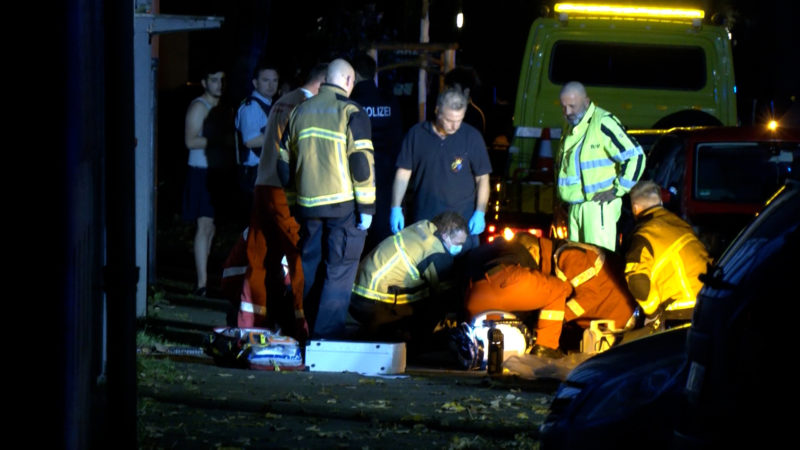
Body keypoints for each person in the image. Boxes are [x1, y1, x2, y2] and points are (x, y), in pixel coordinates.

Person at [279, 58, 376, 339]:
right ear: (348, 81)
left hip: (308, 207)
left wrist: (294, 201)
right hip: (343, 206)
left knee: (310, 266)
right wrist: (366, 206)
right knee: (340, 269)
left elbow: (283, 165)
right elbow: (360, 164)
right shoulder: (351, 111)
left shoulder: (300, 111)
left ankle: (302, 328)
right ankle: (327, 338)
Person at [237, 63, 328, 339]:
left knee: (260, 256)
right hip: (282, 190)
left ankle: (251, 322)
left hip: (262, 185)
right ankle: (299, 325)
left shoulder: (282, 102)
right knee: (298, 255)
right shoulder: (305, 106)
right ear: (322, 84)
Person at [464, 233, 637, 357]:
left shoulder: (567, 256)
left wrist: (561, 317)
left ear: (533, 248)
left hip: (618, 313)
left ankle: (545, 349)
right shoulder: (558, 257)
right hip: (610, 313)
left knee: (556, 292)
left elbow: (589, 296)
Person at [391, 88, 491, 251]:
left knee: (464, 273)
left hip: (462, 225)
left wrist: (480, 212)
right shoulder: (416, 135)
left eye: (459, 119)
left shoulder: (471, 137)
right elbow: (403, 174)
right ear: (437, 111)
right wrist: (395, 208)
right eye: (449, 120)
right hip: (425, 224)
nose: (454, 125)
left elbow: (483, 178)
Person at [350, 211, 468, 342]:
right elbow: (444, 292)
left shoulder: (423, 227)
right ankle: (417, 343)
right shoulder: (436, 251)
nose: (460, 248)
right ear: (445, 235)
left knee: (423, 287)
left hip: (356, 290)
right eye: (458, 243)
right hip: (372, 302)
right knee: (437, 301)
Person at [556, 81, 646, 252]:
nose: (567, 112)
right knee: (577, 265)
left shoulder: (603, 123)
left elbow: (636, 156)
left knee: (598, 267)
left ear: (586, 102)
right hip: (576, 208)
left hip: (598, 209)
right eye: (564, 106)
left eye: (572, 106)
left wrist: (617, 190)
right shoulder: (572, 127)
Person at [624, 180, 711, 329]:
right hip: (707, 301)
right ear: (660, 203)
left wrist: (652, 313)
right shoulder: (679, 223)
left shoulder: (644, 235)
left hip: (680, 311)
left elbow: (636, 278)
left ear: (635, 208)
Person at [350, 52, 405, 254]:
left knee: (358, 236)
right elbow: (398, 139)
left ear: (354, 74)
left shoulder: (351, 102)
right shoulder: (390, 101)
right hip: (387, 175)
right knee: (382, 238)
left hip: (358, 176)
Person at [183, 66, 225, 296]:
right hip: (200, 170)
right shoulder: (199, 106)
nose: (219, 84)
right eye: (214, 79)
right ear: (204, 82)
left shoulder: (221, 107)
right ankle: (201, 282)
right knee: (204, 225)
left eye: (221, 80)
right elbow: (190, 141)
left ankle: (204, 279)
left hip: (217, 172)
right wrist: (221, 140)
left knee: (211, 227)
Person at [235, 63, 280, 219]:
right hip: (254, 175)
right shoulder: (251, 107)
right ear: (255, 83)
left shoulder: (269, 105)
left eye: (274, 80)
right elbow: (250, 140)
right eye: (266, 80)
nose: (271, 85)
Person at [443, 66, 486, 138]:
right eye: (448, 88)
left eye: (453, 88)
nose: (449, 92)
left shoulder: (475, 115)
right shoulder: (445, 110)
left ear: (466, 92)